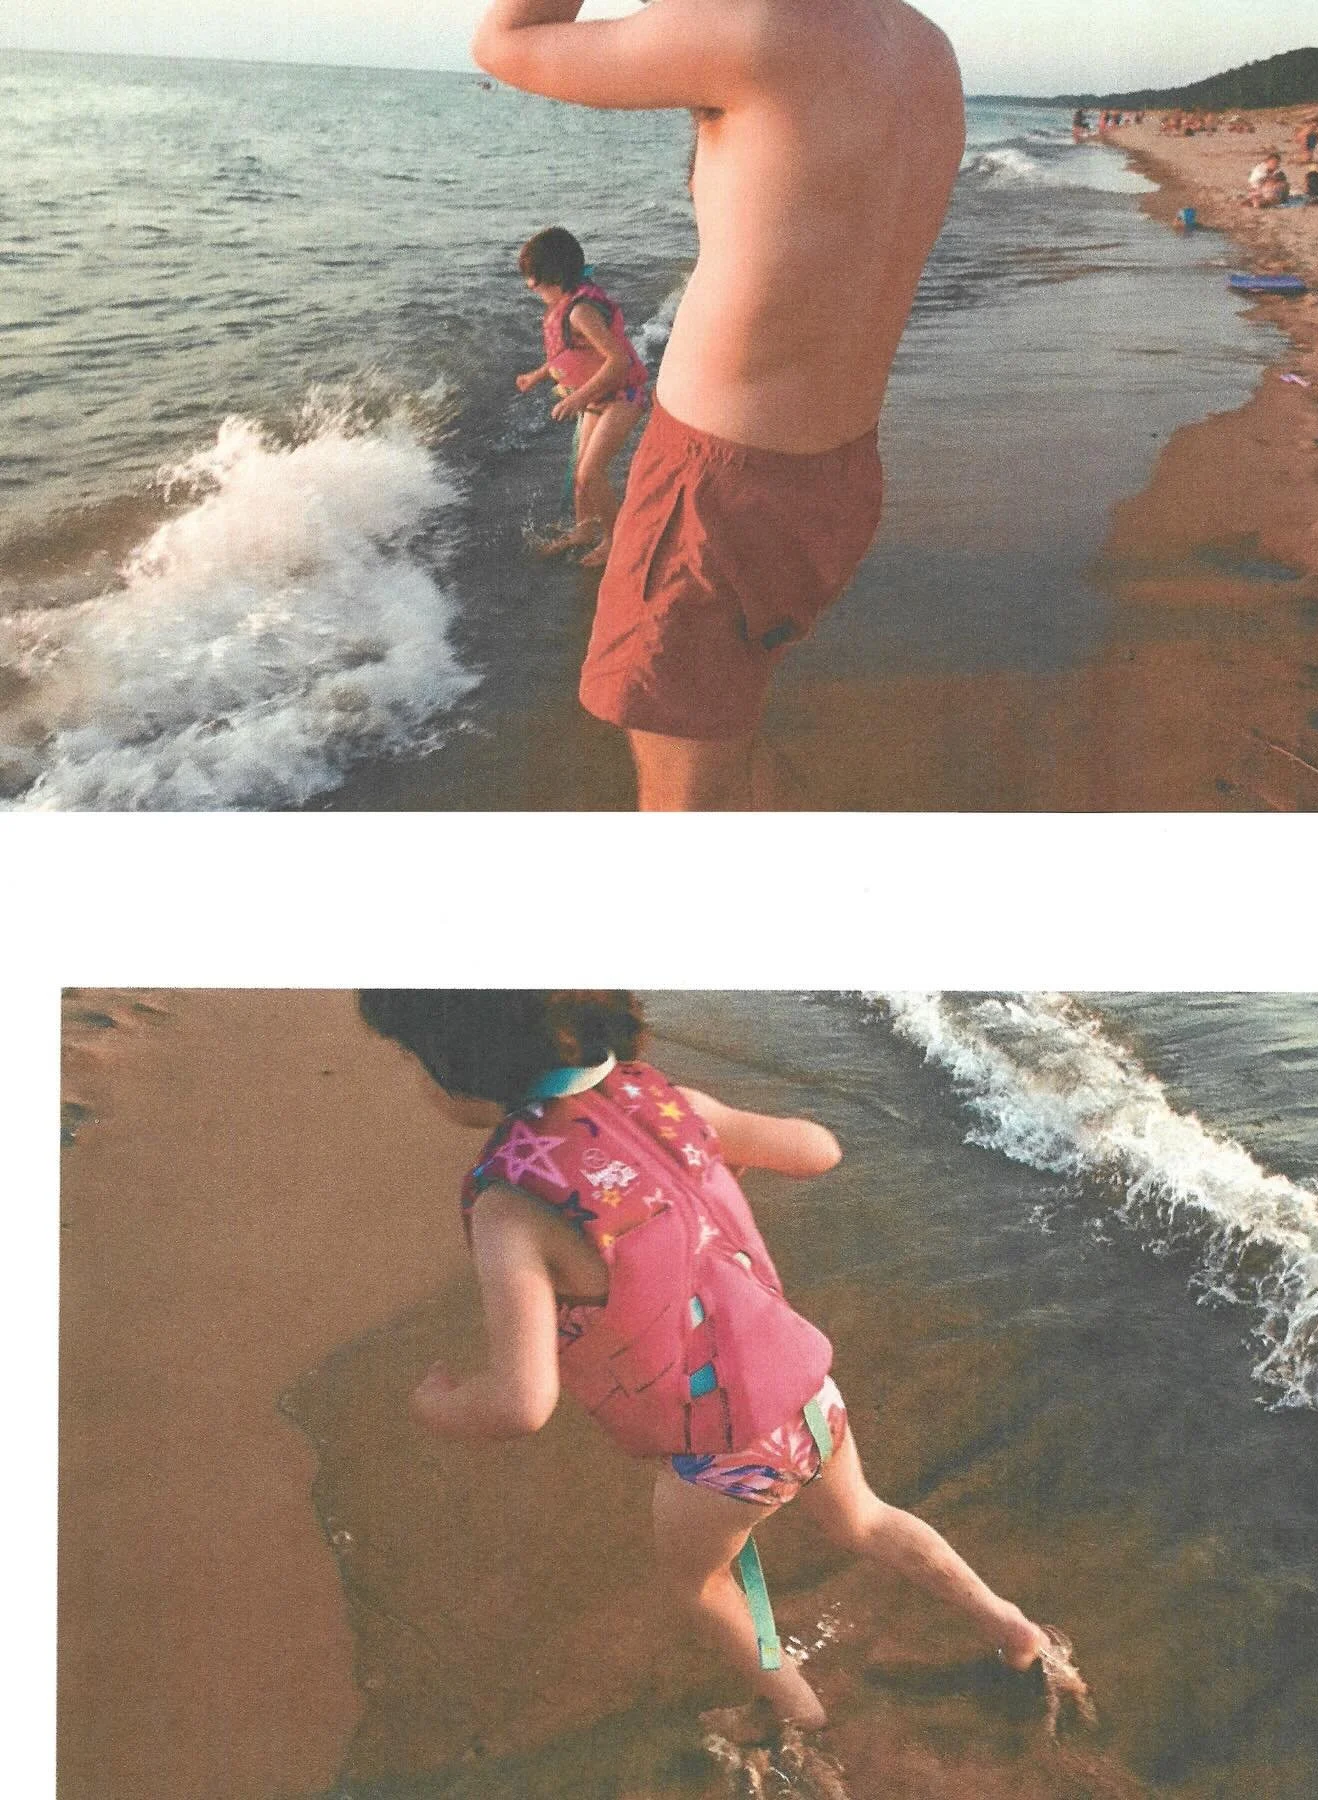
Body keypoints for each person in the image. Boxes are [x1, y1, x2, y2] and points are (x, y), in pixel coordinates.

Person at [358, 989, 1096, 1748]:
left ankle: (799, 1712)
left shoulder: (510, 1205)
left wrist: (437, 1404)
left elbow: (522, 1401)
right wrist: (703, 1167)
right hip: (811, 1392)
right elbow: (819, 1149)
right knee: (864, 1518)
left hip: (724, 1455)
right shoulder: (671, 1104)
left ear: (458, 1067)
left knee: (699, 1585)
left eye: (411, 1057)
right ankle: (1012, 1630)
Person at [471, 0, 966, 810]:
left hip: (718, 490)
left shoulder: (757, 30)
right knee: (721, 748)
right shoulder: (925, 51)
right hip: (835, 477)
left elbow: (504, 41)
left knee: (684, 798)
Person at [515, 227, 650, 567]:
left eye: (534, 278)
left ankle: (615, 541)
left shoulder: (580, 312)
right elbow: (570, 353)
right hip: (600, 396)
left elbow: (617, 361)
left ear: (554, 275)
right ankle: (585, 529)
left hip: (623, 395)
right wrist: (537, 375)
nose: (529, 286)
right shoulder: (567, 306)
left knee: (591, 473)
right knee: (580, 474)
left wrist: (578, 399)